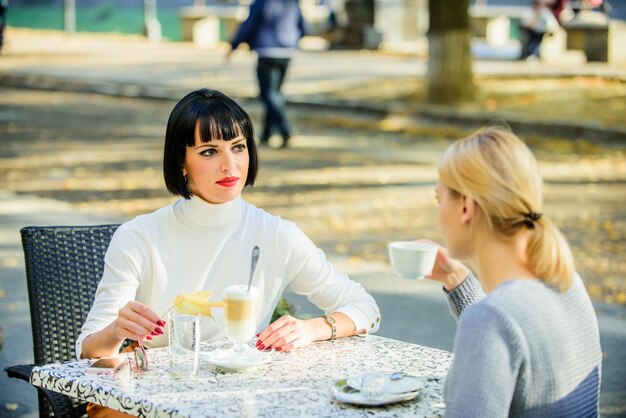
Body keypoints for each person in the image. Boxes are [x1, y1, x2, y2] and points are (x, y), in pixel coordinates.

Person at [77, 88, 380, 417]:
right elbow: (89, 350)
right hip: (149, 401)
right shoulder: (139, 236)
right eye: (209, 152)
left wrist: (311, 329)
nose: (230, 165)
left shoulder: (276, 234)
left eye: (238, 147)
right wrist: (118, 330)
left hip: (240, 399)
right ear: (181, 162)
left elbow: (365, 308)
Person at [424, 127, 602, 416]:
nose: (438, 209)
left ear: (466, 206)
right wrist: (457, 280)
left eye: (439, 198)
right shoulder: (566, 282)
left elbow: (499, 324)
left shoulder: (489, 320)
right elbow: (516, 336)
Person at [227, 0, 306, 149]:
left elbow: (249, 25)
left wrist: (234, 45)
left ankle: (286, 130)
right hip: (287, 52)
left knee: (269, 95)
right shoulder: (292, 2)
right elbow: (303, 26)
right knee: (274, 94)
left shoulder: (261, 2)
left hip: (267, 51)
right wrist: (294, 40)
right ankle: (267, 134)